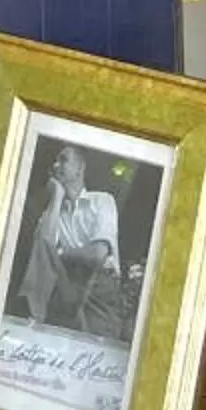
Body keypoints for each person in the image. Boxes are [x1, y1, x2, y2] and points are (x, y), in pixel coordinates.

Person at [19, 144, 127, 336]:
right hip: (65, 293)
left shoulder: (102, 201)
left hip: (100, 293)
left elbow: (96, 256)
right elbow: (42, 253)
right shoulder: (50, 215)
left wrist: (59, 253)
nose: (55, 165)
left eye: (63, 159)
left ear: (80, 167)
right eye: (54, 161)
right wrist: (57, 196)